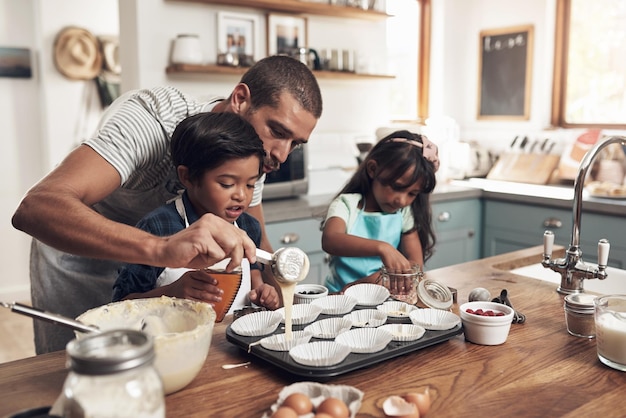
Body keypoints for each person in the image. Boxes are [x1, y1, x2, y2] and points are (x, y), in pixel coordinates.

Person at [11, 55, 322, 354]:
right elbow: (37, 207)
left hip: (160, 274)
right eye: (278, 132)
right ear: (240, 99)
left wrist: (285, 301)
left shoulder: (252, 154)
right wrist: (162, 248)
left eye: (294, 143)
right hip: (79, 259)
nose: (282, 154)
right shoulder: (151, 121)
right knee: (76, 371)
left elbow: (256, 243)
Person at [112, 112, 279, 314]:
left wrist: (262, 291)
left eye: (251, 184)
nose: (242, 195)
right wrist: (173, 292)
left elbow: (255, 280)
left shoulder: (249, 227)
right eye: (227, 184)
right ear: (187, 176)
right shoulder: (158, 227)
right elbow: (120, 306)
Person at [321, 130, 438, 293]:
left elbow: (415, 264)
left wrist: (371, 282)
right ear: (373, 169)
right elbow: (330, 240)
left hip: (381, 296)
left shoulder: (403, 213)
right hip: (339, 297)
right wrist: (382, 248)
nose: (402, 201)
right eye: (397, 187)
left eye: (412, 193)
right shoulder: (347, 205)